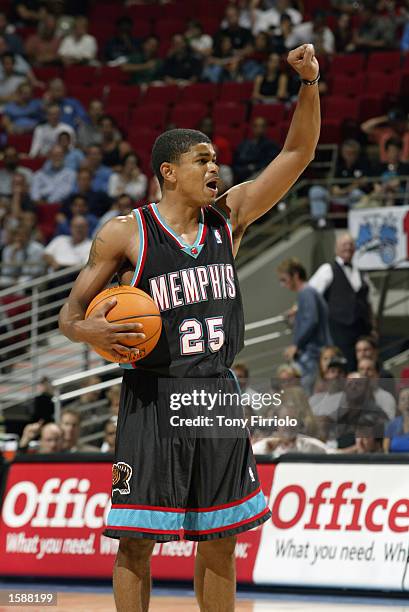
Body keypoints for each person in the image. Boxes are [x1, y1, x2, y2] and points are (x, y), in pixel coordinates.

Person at [58, 44, 320, 612]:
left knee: (220, 540)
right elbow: (68, 316)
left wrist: (309, 83)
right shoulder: (126, 234)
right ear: (168, 173)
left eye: (216, 159)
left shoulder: (230, 218)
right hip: (154, 395)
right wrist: (90, 335)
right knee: (136, 541)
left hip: (216, 394)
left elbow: (297, 152)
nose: (214, 168)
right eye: (202, 160)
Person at [309, 233, 373, 371]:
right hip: (338, 331)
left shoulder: (362, 273)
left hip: (362, 330)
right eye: (344, 244)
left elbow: (369, 303)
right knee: (343, 366)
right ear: (336, 248)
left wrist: (373, 327)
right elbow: (310, 295)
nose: (348, 247)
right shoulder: (327, 269)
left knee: (364, 367)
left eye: (351, 244)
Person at [278, 257, 332, 394]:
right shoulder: (308, 293)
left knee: (304, 394)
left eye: (284, 280)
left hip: (312, 353)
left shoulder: (306, 293)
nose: (283, 285)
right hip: (314, 352)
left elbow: (311, 320)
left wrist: (296, 344)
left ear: (295, 275)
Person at [233, 116, 279, 182]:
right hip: (243, 173)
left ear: (266, 128)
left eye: (262, 126)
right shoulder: (244, 144)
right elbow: (236, 162)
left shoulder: (271, 145)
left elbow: (269, 164)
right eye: (256, 126)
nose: (259, 129)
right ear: (252, 127)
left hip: (260, 175)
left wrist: (253, 168)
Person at [384, 387, 409, 453]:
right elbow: (386, 451)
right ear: (398, 405)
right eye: (403, 399)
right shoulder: (392, 424)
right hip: (394, 462)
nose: (407, 402)